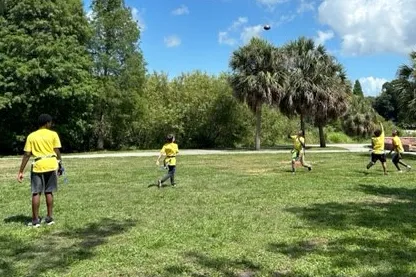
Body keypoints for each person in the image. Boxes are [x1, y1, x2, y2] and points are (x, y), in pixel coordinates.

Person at [17, 114, 63, 227]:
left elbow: (27, 154)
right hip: (51, 164)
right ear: (47, 123)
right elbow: (56, 151)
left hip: (38, 165)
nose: (51, 124)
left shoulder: (31, 136)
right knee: (49, 191)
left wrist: (21, 171)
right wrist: (60, 164)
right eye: (50, 122)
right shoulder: (53, 134)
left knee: (36, 192)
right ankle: (49, 218)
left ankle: (35, 220)